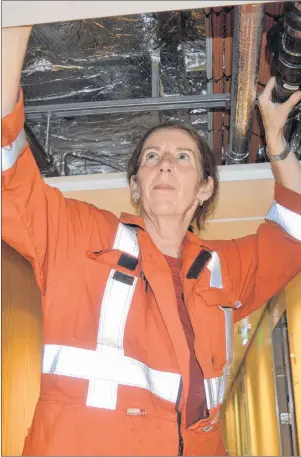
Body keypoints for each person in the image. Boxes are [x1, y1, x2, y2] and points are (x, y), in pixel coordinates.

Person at [2, 25, 301, 457]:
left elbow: (295, 230)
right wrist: (15, 27)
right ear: (136, 186)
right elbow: (8, 173)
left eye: (183, 158)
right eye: (151, 157)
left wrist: (275, 141)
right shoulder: (81, 239)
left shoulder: (223, 268)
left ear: (203, 189)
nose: (164, 165)